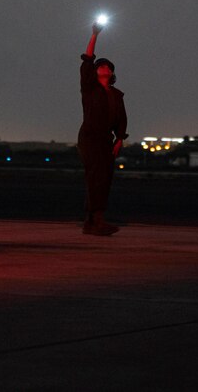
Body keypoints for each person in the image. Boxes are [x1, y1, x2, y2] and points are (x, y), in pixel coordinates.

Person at [78, 20, 128, 235]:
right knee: (95, 177)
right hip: (90, 138)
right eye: (101, 66)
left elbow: (122, 119)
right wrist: (94, 35)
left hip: (106, 140)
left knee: (104, 179)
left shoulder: (116, 95)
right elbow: (88, 60)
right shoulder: (90, 89)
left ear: (112, 72)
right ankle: (95, 221)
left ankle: (92, 221)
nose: (104, 67)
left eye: (107, 66)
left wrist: (119, 139)